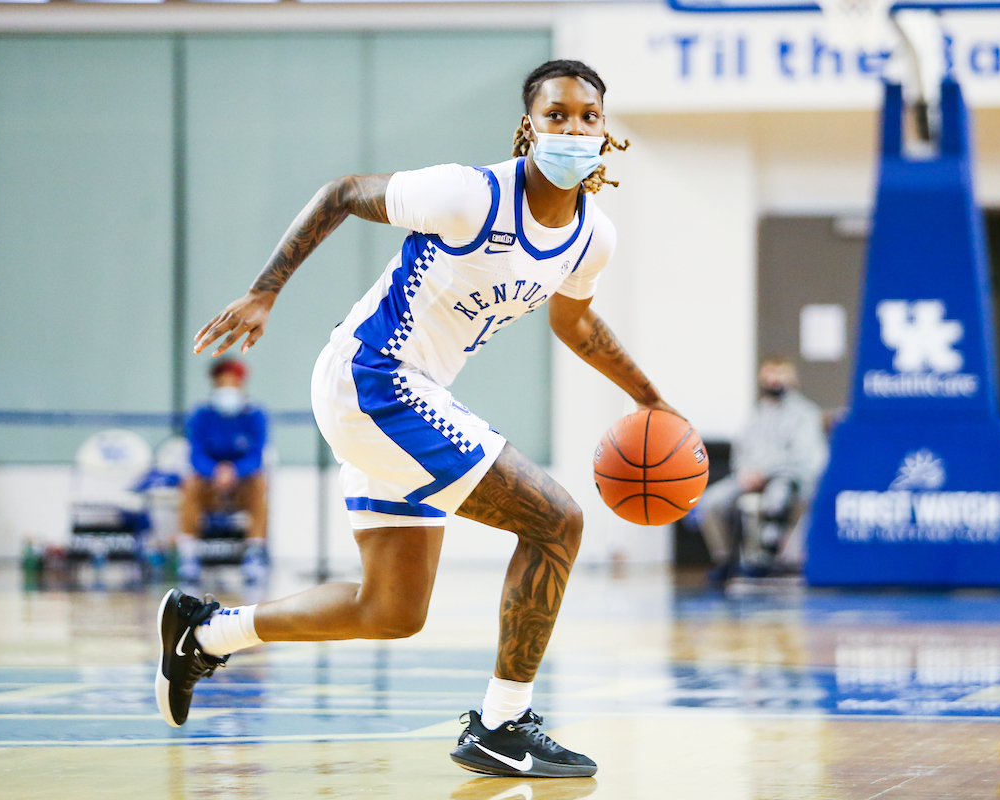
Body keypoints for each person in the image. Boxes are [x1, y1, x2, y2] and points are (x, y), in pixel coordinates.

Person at [155, 60, 678, 779]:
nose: (574, 128)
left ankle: (207, 634)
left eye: (589, 117)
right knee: (557, 520)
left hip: (405, 394)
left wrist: (650, 399)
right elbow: (342, 193)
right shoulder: (469, 195)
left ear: (604, 134)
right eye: (557, 115)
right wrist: (262, 291)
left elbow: (576, 321)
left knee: (390, 609)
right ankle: (503, 722)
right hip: (373, 377)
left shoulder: (593, 238)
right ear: (529, 127)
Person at [698, 357, 828, 583]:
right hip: (750, 476)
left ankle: (763, 561)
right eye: (770, 373)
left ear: (792, 378)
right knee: (710, 502)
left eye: (781, 373)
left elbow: (805, 457)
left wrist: (766, 472)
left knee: (776, 497)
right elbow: (740, 451)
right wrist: (745, 472)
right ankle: (724, 560)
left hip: (788, 478)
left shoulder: (806, 414)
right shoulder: (755, 414)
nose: (775, 379)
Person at [178, 357, 270, 584]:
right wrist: (215, 472)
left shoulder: (255, 416)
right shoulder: (201, 415)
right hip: (209, 482)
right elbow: (196, 452)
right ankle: (189, 555)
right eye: (223, 384)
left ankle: (254, 554)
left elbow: (257, 454)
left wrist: (235, 471)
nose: (228, 390)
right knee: (190, 485)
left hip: (243, 483)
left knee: (260, 485)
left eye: (233, 384)